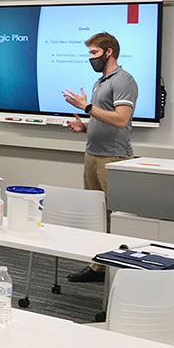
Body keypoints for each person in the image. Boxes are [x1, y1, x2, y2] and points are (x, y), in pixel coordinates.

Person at [62, 32, 137, 283]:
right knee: (96, 214)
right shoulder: (100, 82)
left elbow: (121, 119)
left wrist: (86, 107)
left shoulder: (124, 80)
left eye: (94, 53)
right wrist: (83, 126)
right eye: (89, 53)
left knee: (115, 215)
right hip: (92, 154)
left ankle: (119, 268)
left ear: (109, 52)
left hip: (113, 158)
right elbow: (100, 117)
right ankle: (98, 266)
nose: (90, 58)